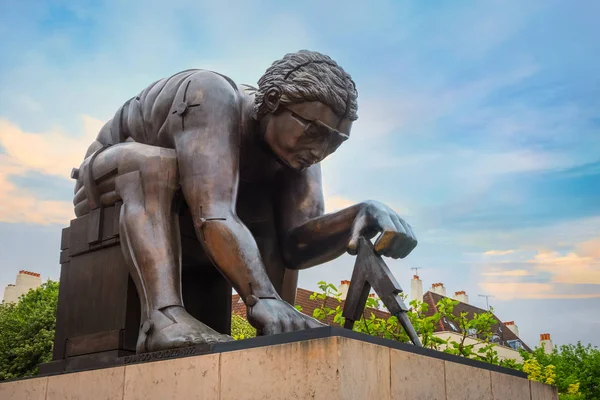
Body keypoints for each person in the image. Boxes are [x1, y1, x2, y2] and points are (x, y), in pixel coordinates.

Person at [73, 50, 418, 353]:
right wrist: (262, 299)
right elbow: (213, 215)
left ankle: (275, 324)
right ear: (271, 101)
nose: (320, 151)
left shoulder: (301, 154)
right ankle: (160, 320)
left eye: (335, 141)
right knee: (156, 166)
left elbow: (296, 244)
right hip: (104, 179)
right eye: (313, 131)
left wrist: (360, 215)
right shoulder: (212, 96)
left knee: (259, 204)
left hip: (190, 201)